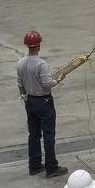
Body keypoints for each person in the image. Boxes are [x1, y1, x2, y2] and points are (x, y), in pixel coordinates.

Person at [17, 30, 68, 178]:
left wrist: (25, 97)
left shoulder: (21, 62)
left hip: (30, 101)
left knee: (33, 134)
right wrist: (58, 79)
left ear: (27, 45)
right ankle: (51, 167)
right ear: (39, 45)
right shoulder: (41, 64)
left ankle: (34, 166)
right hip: (43, 102)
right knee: (48, 134)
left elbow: (20, 84)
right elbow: (47, 84)